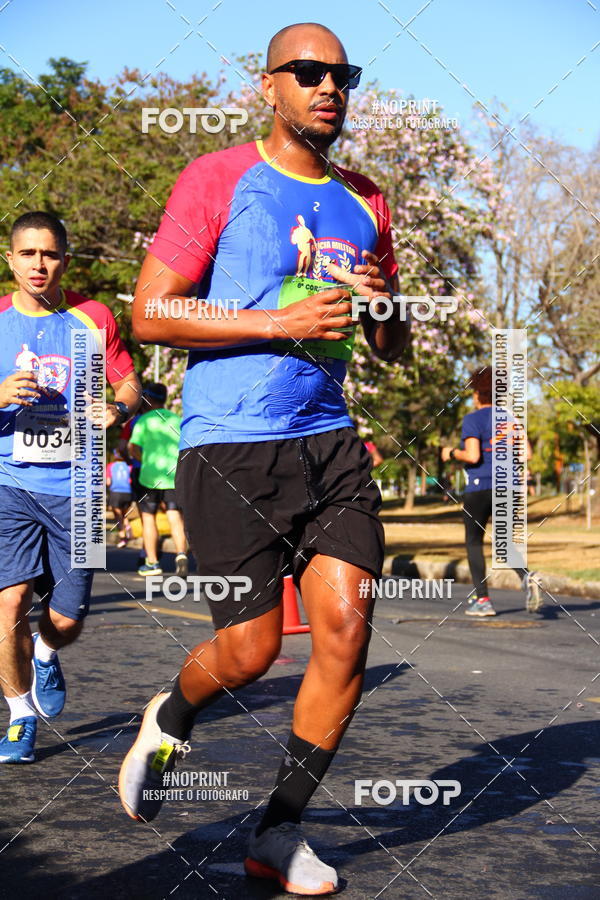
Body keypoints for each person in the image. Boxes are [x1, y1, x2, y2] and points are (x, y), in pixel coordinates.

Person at [118, 22, 409, 896]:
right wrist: (278, 321)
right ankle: (171, 714)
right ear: (269, 85)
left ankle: (278, 832)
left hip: (329, 442)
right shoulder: (216, 179)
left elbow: (392, 346)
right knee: (246, 654)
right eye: (309, 72)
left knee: (347, 629)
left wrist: (384, 306)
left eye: (343, 74)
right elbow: (152, 316)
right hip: (230, 445)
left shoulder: (367, 202)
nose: (329, 87)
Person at [0, 211, 140, 763]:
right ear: (10, 258)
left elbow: (127, 378)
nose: (39, 264)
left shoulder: (93, 316)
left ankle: (45, 651)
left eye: (50, 254)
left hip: (77, 489)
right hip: (8, 480)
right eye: (28, 253)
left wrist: (119, 407)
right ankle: (20, 717)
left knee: (66, 619)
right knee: (8, 605)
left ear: (65, 259)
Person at [441, 366, 543, 617]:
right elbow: (526, 454)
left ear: (477, 393)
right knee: (504, 541)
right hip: (507, 486)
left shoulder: (473, 419)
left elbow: (473, 456)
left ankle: (483, 600)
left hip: (479, 487)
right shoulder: (510, 418)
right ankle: (526, 576)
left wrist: (451, 453)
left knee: (473, 541)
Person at [128, 382, 188, 577]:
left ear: (148, 398)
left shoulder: (143, 421)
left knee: (148, 518)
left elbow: (132, 448)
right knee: (174, 515)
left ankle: (152, 563)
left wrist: (143, 460)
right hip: (173, 475)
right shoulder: (177, 419)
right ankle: (181, 555)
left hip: (149, 477)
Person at [106, 449, 134, 547]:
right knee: (124, 514)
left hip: (116, 492)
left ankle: (123, 538)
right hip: (128, 492)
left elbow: (108, 482)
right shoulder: (129, 466)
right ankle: (128, 526)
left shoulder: (110, 466)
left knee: (118, 516)